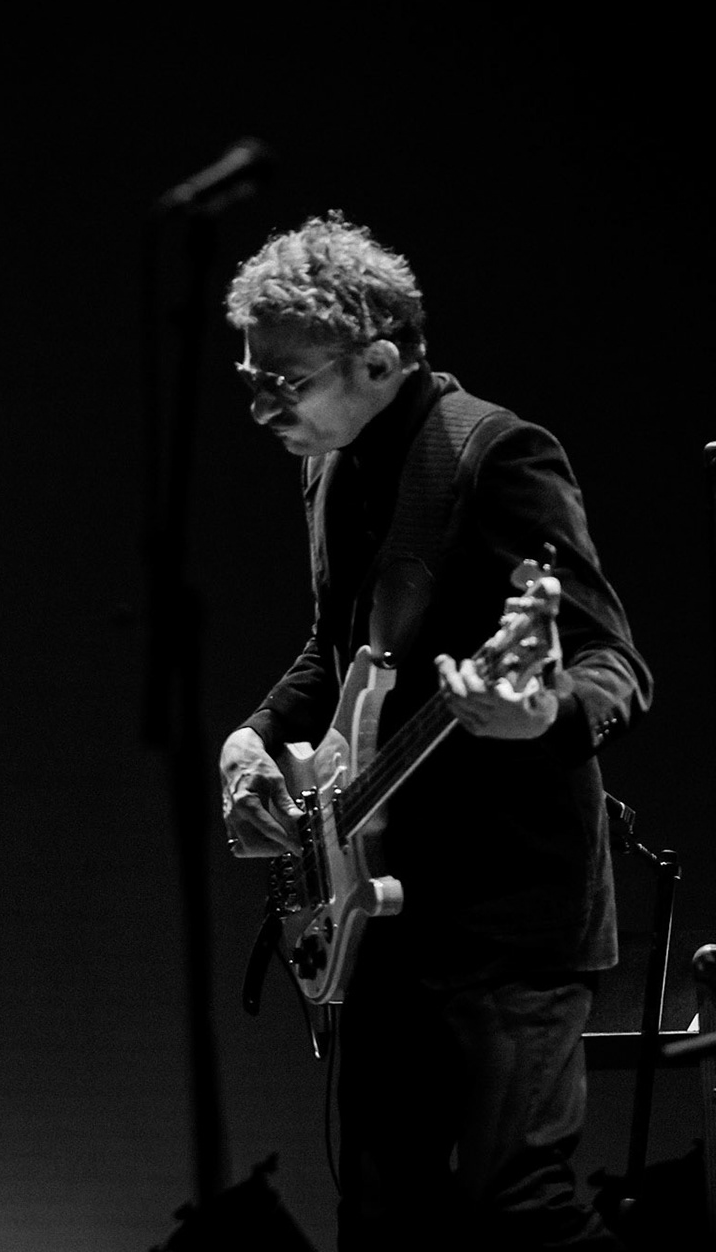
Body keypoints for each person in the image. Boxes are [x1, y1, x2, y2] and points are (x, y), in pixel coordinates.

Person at [216, 213, 651, 1250]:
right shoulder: (328, 466)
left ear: (378, 358)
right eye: (250, 380)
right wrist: (248, 737)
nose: (263, 406)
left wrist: (541, 711)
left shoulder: (496, 456)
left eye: (286, 381)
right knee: (380, 1214)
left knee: (519, 1209)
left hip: (509, 917)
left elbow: (614, 662)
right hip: (383, 914)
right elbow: (335, 647)